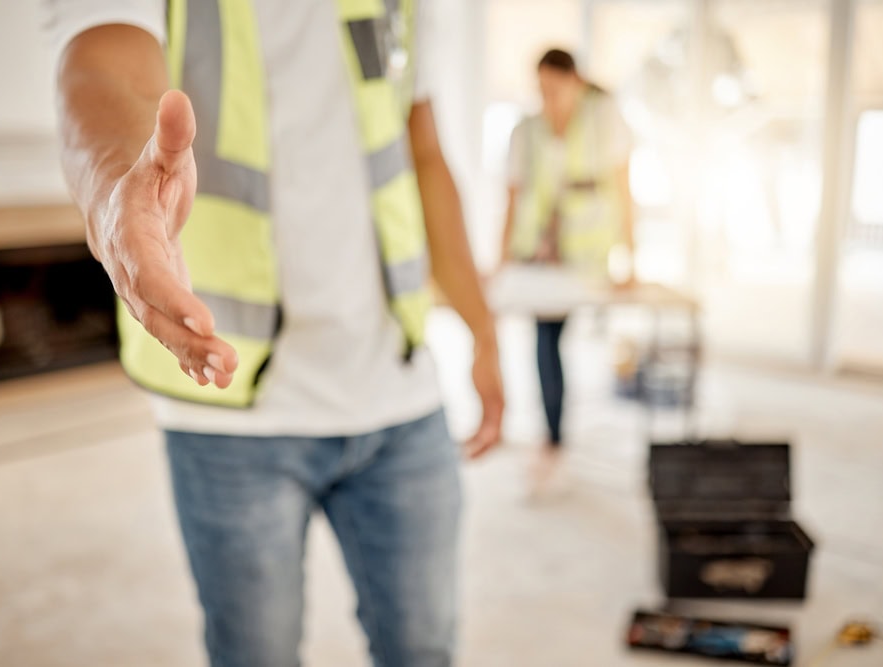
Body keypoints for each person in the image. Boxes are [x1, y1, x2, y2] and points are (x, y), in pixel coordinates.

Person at [49, 2, 504, 666]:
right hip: (230, 413)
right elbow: (100, 67)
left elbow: (424, 153)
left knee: (424, 648)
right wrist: (119, 191)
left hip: (399, 394)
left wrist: (483, 332)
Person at [500, 48, 635, 490]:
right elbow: (514, 197)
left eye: (553, 88)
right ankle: (553, 438)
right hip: (540, 258)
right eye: (540, 89)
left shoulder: (604, 118)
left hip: (587, 258)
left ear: (575, 82)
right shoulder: (527, 130)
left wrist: (630, 257)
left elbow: (622, 187)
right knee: (545, 340)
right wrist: (500, 261)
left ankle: (555, 436)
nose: (547, 98)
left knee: (565, 340)